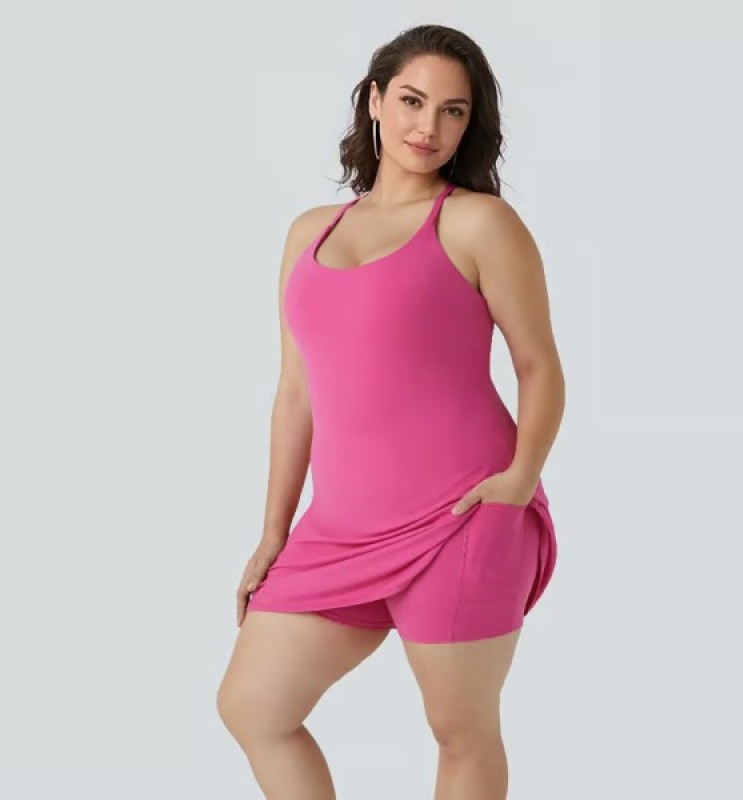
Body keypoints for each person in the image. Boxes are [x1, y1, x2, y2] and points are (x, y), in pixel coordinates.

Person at [216, 22, 566, 800]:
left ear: (470, 123)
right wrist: (274, 533)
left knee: (459, 731)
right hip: (339, 529)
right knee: (252, 707)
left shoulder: (477, 223)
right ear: (374, 100)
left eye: (452, 110)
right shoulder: (309, 232)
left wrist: (518, 482)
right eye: (411, 101)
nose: (427, 126)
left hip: (461, 516)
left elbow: (539, 367)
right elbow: (296, 392)